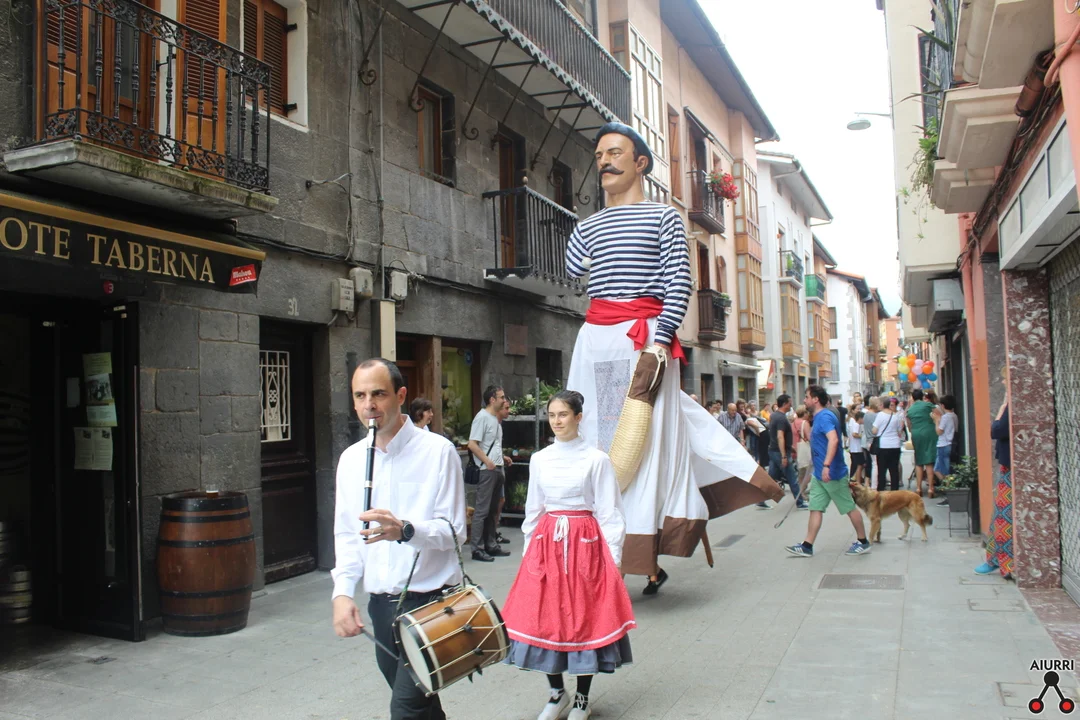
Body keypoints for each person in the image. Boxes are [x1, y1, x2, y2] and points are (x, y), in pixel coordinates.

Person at [564, 121, 781, 594]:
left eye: (615, 152)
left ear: (640, 162)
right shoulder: (588, 226)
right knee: (596, 440)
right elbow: (573, 267)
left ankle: (641, 550)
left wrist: (660, 341)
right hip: (596, 339)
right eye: (599, 155)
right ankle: (602, 548)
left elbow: (678, 280)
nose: (604, 161)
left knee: (651, 442)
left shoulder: (664, 217)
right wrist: (581, 228)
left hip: (643, 339)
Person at [331, 358, 467, 720]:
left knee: (406, 709)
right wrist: (342, 594)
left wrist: (406, 530)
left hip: (431, 604)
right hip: (382, 606)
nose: (369, 405)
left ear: (401, 395)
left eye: (379, 394)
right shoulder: (351, 459)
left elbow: (455, 532)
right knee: (423, 709)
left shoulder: (438, 451)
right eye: (360, 396)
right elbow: (346, 534)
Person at [502, 391, 635, 720]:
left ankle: (582, 699)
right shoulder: (540, 459)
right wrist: (528, 550)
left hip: (585, 545)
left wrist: (614, 557)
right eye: (552, 415)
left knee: (583, 619)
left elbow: (609, 511)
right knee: (545, 617)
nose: (557, 421)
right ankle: (556, 692)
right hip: (547, 543)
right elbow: (534, 508)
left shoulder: (596, 460)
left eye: (563, 414)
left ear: (578, 417)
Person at [785, 385, 871, 558]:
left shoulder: (824, 417)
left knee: (848, 507)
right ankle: (807, 545)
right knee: (815, 508)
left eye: (807, 397)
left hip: (832, 473)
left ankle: (863, 542)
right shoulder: (819, 417)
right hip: (820, 474)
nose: (804, 400)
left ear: (815, 399)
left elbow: (833, 440)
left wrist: (826, 465)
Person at [467, 385, 511, 562]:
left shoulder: (494, 419)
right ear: (492, 400)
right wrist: (487, 461)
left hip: (496, 467)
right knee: (482, 510)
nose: (504, 400)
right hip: (488, 470)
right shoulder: (482, 417)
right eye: (501, 397)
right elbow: (472, 444)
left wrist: (502, 458)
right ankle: (477, 548)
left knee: (493, 510)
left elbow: (490, 444)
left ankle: (490, 544)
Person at [976, 374, 1012, 578]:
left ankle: (1002, 560)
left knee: (1003, 517)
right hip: (1009, 467)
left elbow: (997, 430)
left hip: (1011, 469)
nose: (1002, 382)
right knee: (1001, 516)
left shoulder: (1011, 405)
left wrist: (1003, 407)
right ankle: (997, 559)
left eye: (1005, 378)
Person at [768, 394, 805, 509]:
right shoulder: (781, 418)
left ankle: (760, 499)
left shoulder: (774, 415)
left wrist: (790, 447)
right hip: (780, 452)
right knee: (792, 477)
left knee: (770, 477)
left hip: (774, 450)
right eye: (789, 403)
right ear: (784, 404)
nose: (791, 405)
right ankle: (800, 502)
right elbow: (780, 436)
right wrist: (784, 456)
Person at [906, 389, 938, 497]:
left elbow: (909, 426)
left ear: (913, 397)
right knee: (929, 461)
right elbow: (939, 415)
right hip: (929, 432)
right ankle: (931, 488)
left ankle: (918, 488)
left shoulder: (910, 409)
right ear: (922, 396)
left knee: (919, 461)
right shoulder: (928, 405)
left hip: (916, 434)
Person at [493, 397, 514, 546]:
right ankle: (490, 535)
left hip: (498, 464)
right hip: (492, 467)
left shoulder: (499, 425)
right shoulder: (491, 424)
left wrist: (502, 456)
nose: (508, 411)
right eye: (506, 408)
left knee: (500, 501)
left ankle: (494, 532)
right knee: (496, 502)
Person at [871, 398, 904, 491]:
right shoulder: (896, 416)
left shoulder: (880, 415)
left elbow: (874, 430)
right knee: (894, 470)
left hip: (883, 445)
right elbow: (899, 431)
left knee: (882, 470)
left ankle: (881, 491)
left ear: (883, 405)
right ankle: (895, 491)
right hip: (895, 444)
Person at [931, 395, 957, 492]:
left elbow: (939, 431)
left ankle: (948, 488)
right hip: (950, 444)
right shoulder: (954, 416)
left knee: (939, 470)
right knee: (945, 468)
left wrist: (936, 421)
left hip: (943, 444)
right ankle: (948, 488)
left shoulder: (945, 417)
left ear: (942, 405)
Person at [793, 406, 813, 492]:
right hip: (804, 450)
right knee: (810, 472)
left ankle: (800, 490)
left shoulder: (793, 423)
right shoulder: (805, 423)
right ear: (804, 413)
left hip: (795, 449)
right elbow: (809, 437)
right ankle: (802, 489)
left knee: (801, 473)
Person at [862, 397, 879, 486]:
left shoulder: (866, 415)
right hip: (874, 441)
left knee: (870, 463)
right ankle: (874, 485)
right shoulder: (875, 416)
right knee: (875, 464)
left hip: (868, 440)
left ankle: (868, 482)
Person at [848, 409, 866, 486]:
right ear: (860, 418)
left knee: (860, 464)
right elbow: (854, 434)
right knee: (860, 465)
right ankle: (858, 480)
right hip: (857, 448)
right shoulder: (857, 425)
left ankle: (858, 478)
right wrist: (862, 436)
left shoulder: (855, 424)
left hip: (855, 448)